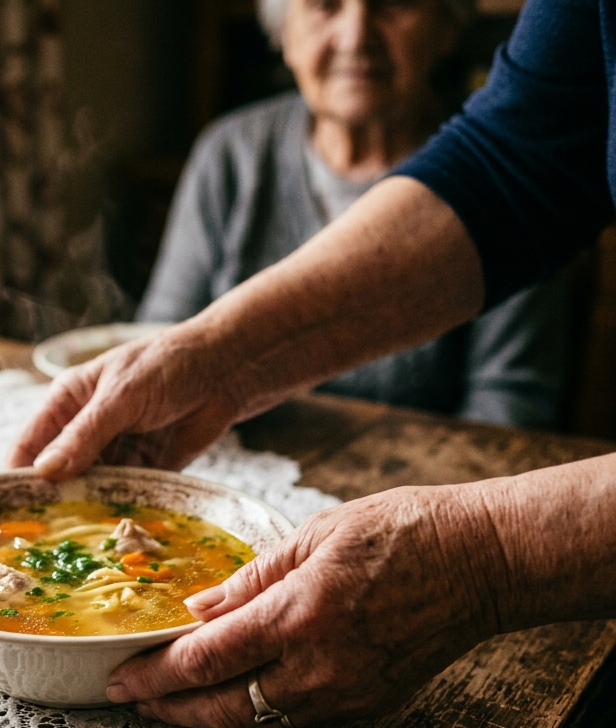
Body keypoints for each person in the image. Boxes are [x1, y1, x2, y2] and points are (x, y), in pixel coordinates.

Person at [8, 0, 616, 728]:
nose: (356, 34)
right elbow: (517, 163)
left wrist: (486, 556)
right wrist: (216, 356)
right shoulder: (232, 149)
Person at [138, 0, 571, 428]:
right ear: (284, 34)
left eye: (390, 5)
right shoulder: (230, 154)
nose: (356, 37)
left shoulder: (507, 175)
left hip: (425, 485)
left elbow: (508, 406)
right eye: (325, 5)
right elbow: (162, 339)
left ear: (447, 29)